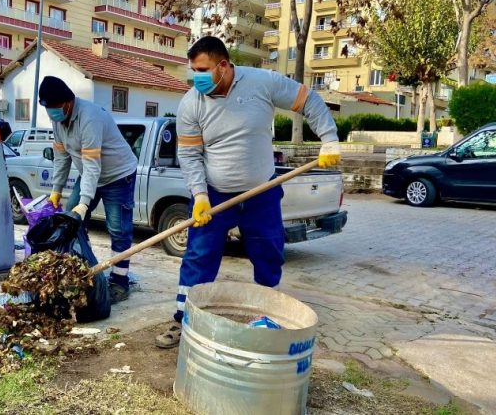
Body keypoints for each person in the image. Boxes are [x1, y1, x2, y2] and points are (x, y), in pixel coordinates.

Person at [155, 36, 341, 348]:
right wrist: (199, 194)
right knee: (199, 255)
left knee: (269, 252)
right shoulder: (190, 103)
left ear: (223, 65)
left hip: (262, 192)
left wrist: (329, 138)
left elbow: (308, 100)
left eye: (202, 70)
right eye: (193, 71)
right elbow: (189, 155)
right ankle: (183, 318)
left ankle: (267, 317)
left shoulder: (262, 83)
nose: (195, 77)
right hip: (215, 195)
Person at [39, 76, 139, 303]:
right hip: (90, 175)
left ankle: (120, 283)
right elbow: (61, 157)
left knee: (118, 230)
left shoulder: (90, 117)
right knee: (72, 221)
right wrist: (56, 189)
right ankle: (83, 268)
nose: (50, 113)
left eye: (53, 108)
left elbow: (93, 164)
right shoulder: (58, 120)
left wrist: (84, 202)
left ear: (67, 103)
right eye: (47, 109)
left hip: (117, 175)